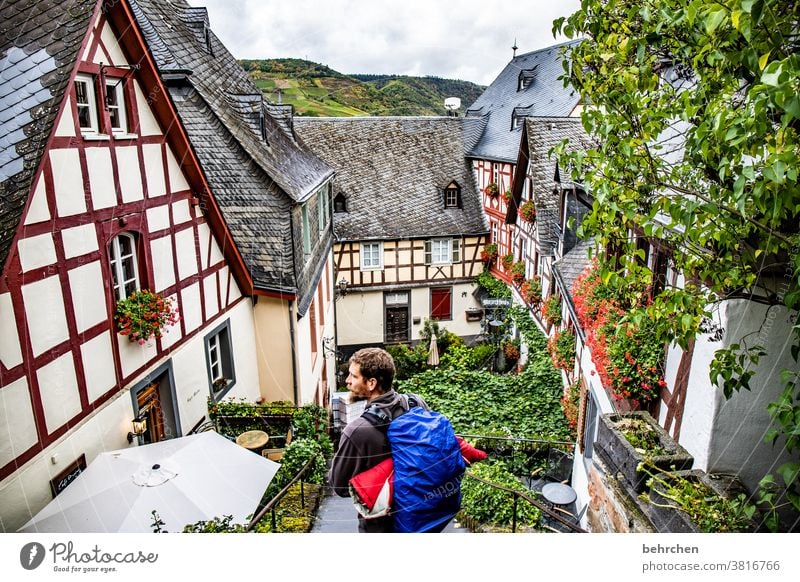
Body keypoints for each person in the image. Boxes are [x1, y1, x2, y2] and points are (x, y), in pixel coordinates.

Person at [329, 347, 428, 533]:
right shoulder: (416, 403)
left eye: (353, 376)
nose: (347, 381)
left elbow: (340, 487)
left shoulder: (356, 431)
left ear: (371, 383)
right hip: (422, 516)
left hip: (380, 525)